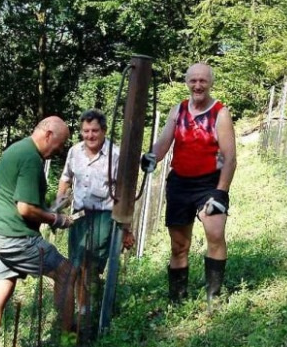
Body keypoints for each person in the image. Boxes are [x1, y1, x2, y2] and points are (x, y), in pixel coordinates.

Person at [0, 116, 77, 347]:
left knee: (1, 292)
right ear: (47, 134)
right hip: (15, 238)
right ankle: (68, 343)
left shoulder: (18, 149)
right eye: (59, 143)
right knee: (67, 273)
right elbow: (24, 208)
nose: (58, 150)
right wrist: (57, 219)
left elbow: (27, 202)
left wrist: (54, 206)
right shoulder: (31, 159)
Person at [142, 63, 237, 305]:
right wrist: (150, 157)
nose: (198, 85)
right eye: (193, 81)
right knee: (178, 245)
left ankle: (213, 297)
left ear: (210, 83)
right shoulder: (178, 111)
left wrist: (220, 192)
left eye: (203, 81)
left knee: (215, 234)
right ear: (187, 83)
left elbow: (228, 157)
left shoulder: (220, 113)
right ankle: (177, 300)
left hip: (209, 184)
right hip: (179, 185)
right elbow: (163, 144)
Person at [56, 110, 135, 330]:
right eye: (86, 131)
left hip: (104, 216)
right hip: (79, 216)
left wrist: (127, 228)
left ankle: (91, 315)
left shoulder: (115, 155)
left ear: (104, 131)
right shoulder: (74, 152)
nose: (90, 136)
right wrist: (58, 206)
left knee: (91, 267)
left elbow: (126, 191)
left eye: (95, 131)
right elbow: (65, 180)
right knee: (76, 264)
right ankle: (83, 311)